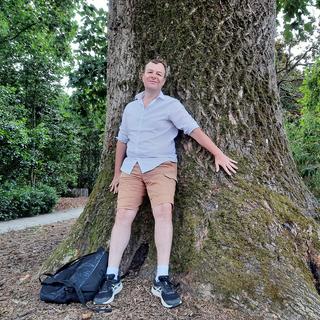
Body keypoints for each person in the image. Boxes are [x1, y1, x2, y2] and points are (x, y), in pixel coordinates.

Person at [93, 58, 238, 308]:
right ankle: (111, 276)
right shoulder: (131, 108)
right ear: (143, 75)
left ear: (164, 79)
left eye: (159, 73)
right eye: (150, 71)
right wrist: (117, 173)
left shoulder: (172, 105)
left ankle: (161, 277)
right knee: (123, 216)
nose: (154, 76)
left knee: (163, 212)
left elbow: (193, 129)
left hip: (161, 166)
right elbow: (121, 141)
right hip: (132, 168)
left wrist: (217, 153)